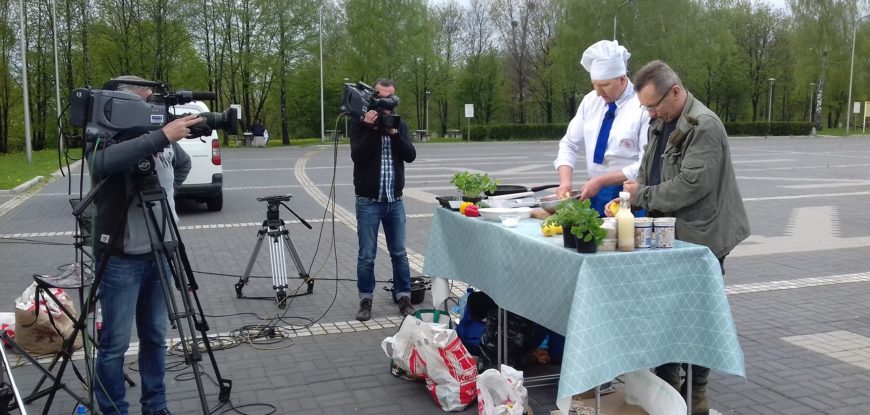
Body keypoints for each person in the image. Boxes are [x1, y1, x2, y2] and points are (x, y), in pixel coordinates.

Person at [621, 60, 750, 415]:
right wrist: (632, 199)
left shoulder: (703, 125)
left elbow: (692, 185)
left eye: (654, 105)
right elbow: (648, 169)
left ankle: (696, 395)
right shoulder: (660, 122)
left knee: (697, 317)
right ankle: (668, 388)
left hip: (701, 237)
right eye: (646, 107)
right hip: (667, 234)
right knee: (666, 313)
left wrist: (642, 195)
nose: (650, 113)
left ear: (675, 91)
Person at [86, 75, 198, 415]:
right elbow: (101, 163)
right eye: (145, 101)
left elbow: (182, 164)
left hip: (161, 252)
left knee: (155, 337)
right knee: (115, 344)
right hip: (121, 258)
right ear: (121, 104)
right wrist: (160, 136)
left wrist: (165, 197)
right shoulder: (106, 138)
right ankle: (114, 410)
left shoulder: (159, 137)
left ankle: (156, 406)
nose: (151, 108)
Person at [553, 39, 649, 216]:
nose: (598, 92)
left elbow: (645, 164)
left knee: (626, 233)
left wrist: (602, 181)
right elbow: (569, 144)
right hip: (594, 190)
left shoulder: (643, 104)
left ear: (622, 79)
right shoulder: (590, 101)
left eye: (604, 85)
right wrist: (565, 181)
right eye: (594, 85)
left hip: (628, 193)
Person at [349, 78, 417, 321]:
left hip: (394, 201)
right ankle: (365, 300)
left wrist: (394, 134)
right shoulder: (360, 123)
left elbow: (410, 155)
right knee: (366, 255)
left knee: (399, 253)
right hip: (368, 201)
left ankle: (404, 297)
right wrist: (371, 129)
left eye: (391, 98)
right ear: (373, 98)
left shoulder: (399, 124)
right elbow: (358, 156)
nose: (387, 104)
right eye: (382, 98)